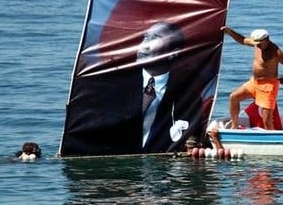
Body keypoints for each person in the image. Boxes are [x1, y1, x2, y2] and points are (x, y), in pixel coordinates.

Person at [62, 21, 209, 156]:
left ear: (174, 52)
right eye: (145, 37)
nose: (143, 46)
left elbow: (190, 138)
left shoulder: (186, 95)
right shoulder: (110, 85)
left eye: (154, 38)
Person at [221, 26, 283, 130]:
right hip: (254, 83)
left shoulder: (275, 51)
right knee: (234, 97)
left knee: (266, 119)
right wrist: (229, 31)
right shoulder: (257, 44)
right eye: (256, 43)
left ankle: (273, 141)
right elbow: (242, 40)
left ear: (267, 40)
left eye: (259, 43)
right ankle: (234, 125)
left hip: (268, 86)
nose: (257, 45)